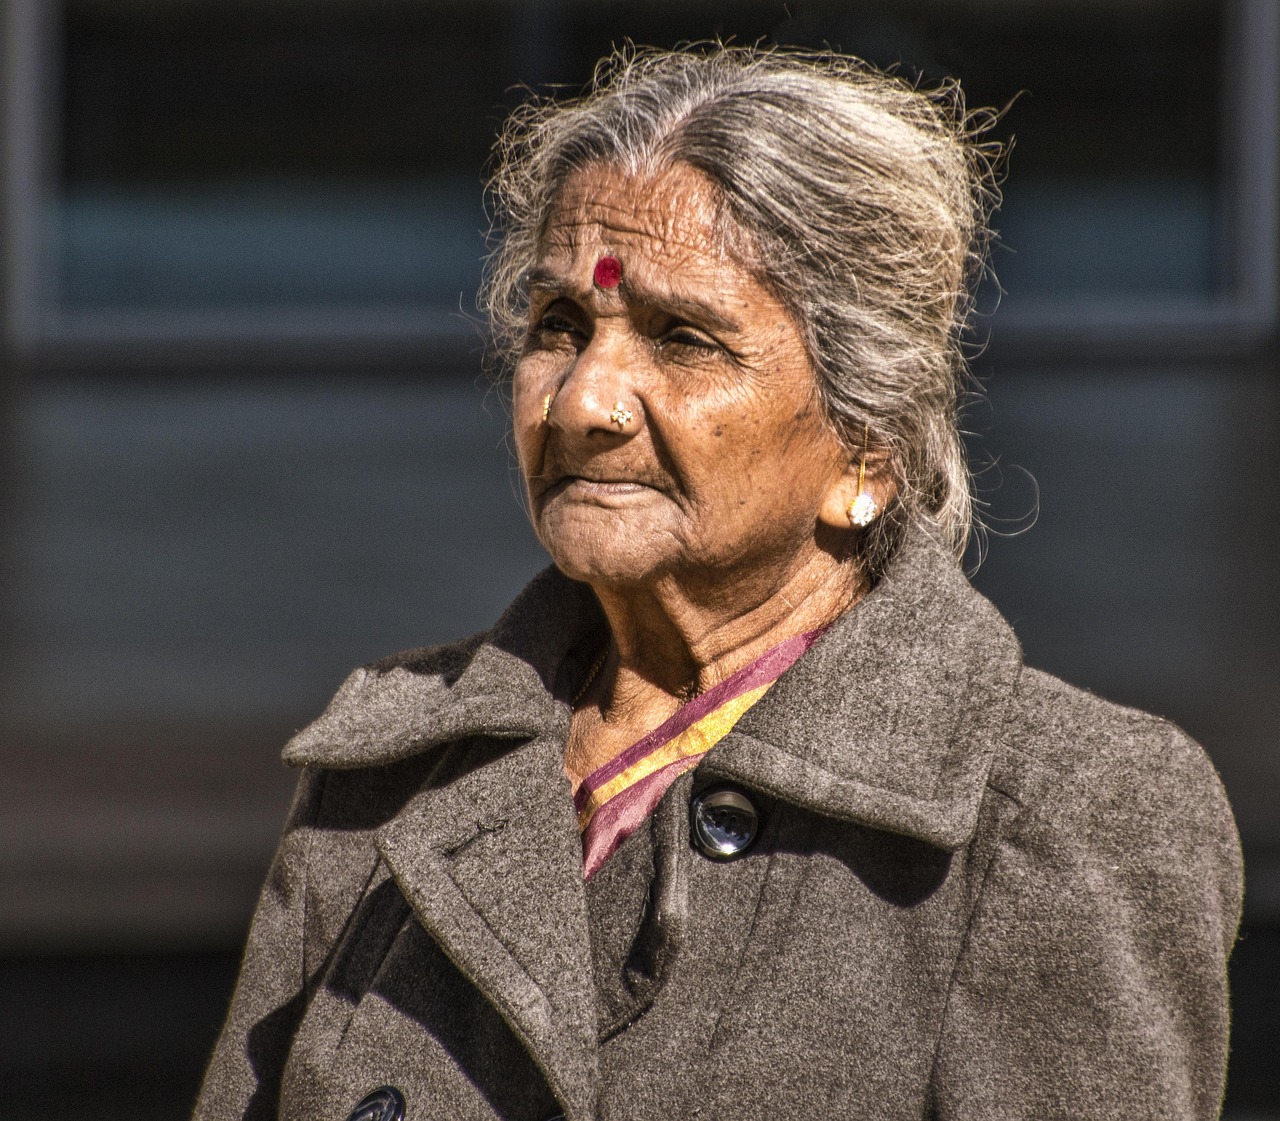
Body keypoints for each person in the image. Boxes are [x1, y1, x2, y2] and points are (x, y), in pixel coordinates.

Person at [194, 45, 1242, 1121]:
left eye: (681, 337)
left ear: (864, 452)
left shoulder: (1062, 812)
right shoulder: (390, 771)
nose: (582, 401)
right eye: (559, 325)